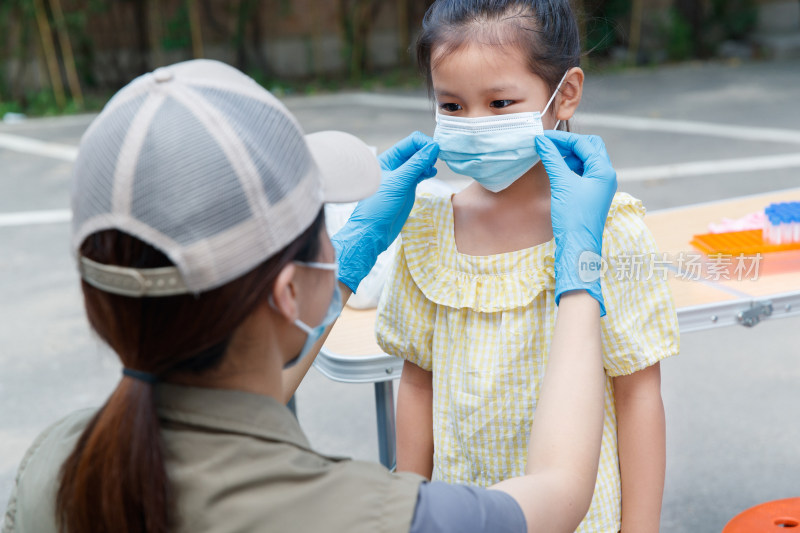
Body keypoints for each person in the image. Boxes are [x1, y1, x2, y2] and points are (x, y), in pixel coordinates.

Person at [3, 59, 616, 533]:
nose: (339, 241)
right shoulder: (358, 513)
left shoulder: (57, 463)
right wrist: (580, 273)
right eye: (325, 230)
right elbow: (559, 494)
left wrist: (340, 270)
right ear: (288, 291)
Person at [375, 1, 680, 532]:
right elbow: (418, 383)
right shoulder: (427, 229)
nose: (474, 124)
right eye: (451, 105)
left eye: (499, 102)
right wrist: (410, 507)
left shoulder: (608, 230)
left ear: (564, 93)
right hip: (459, 511)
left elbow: (638, 395)